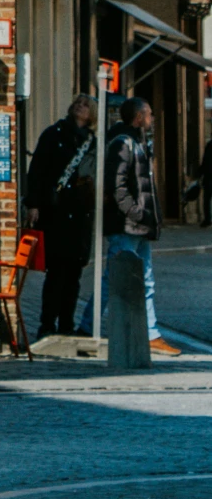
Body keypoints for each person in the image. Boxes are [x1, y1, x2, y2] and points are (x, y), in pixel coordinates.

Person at [79, 96, 180, 356]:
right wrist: (136, 213)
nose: (152, 118)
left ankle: (151, 333)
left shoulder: (137, 142)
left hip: (138, 226)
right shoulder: (123, 143)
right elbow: (117, 185)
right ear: (138, 118)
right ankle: (87, 328)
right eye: (148, 114)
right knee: (113, 278)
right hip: (127, 225)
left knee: (145, 279)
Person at [25, 93, 96, 338]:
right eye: (77, 102)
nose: (80, 107)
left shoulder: (92, 142)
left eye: (86, 105)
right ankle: (47, 324)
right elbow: (37, 170)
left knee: (74, 274)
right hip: (56, 211)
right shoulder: (53, 134)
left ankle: (66, 323)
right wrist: (33, 203)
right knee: (56, 272)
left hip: (80, 214)